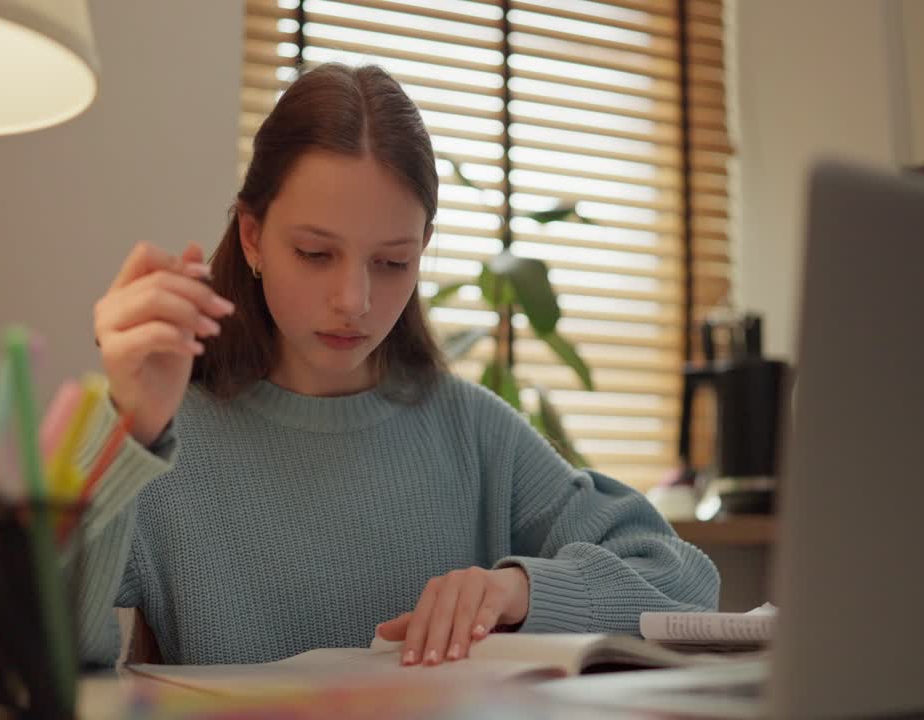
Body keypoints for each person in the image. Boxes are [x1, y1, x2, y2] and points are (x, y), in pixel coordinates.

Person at [75, 63, 719, 669]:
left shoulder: (471, 432)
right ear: (252, 237)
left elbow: (686, 582)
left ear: (423, 250)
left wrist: (518, 590)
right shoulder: (163, 438)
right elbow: (40, 643)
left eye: (391, 263)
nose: (353, 302)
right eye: (314, 252)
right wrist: (128, 430)